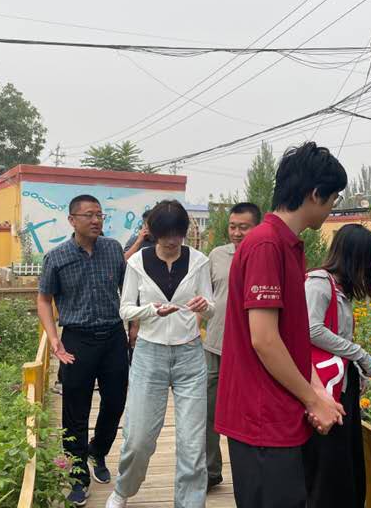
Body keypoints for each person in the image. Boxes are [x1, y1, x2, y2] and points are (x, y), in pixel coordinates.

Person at [215, 142, 348, 508]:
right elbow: (265, 339)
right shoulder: (266, 245)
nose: (332, 206)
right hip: (261, 419)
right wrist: (313, 399)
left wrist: (318, 392)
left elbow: (292, 337)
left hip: (279, 415)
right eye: (333, 198)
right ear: (315, 194)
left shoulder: (287, 245)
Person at [106, 200, 214, 508]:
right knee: (138, 438)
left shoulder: (199, 261)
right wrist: (151, 310)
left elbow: (212, 307)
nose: (172, 241)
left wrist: (204, 307)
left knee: (192, 444)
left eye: (177, 234)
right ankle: (123, 489)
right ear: (153, 232)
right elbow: (125, 309)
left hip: (190, 354)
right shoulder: (137, 263)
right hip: (149, 354)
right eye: (166, 235)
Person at [36, 195, 129, 507]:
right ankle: (78, 476)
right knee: (75, 410)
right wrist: (53, 338)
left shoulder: (113, 249)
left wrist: (134, 329)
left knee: (115, 402)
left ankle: (97, 451)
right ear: (72, 220)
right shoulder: (57, 257)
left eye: (100, 215)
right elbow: (44, 300)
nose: (96, 220)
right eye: (89, 215)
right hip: (76, 340)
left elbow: (128, 290)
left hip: (113, 336)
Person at [302, 224, 371, 508]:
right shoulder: (318, 284)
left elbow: (336, 338)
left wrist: (356, 369)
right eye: (369, 262)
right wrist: (360, 355)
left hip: (339, 386)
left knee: (344, 466)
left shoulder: (337, 288)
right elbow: (311, 329)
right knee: (328, 470)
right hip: (324, 391)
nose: (370, 270)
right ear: (355, 258)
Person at [202, 202, 262, 493]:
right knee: (207, 412)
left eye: (243, 227)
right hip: (215, 346)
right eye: (233, 226)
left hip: (252, 350)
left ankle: (252, 473)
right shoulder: (216, 255)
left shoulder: (264, 255)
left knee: (248, 413)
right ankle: (210, 471)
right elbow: (205, 296)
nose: (236, 233)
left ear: (257, 227)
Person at [123, 210, 155, 359]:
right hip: (137, 296)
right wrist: (139, 241)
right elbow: (123, 261)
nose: (148, 228)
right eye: (145, 224)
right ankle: (133, 360)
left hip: (156, 296)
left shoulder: (163, 242)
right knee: (135, 335)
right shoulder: (135, 240)